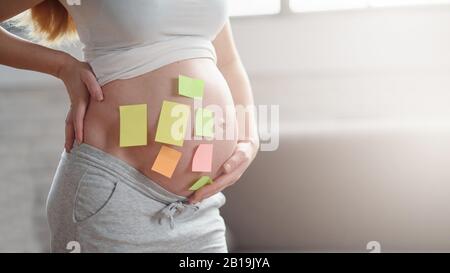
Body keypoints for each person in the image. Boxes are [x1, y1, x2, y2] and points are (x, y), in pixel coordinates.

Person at [0, 0, 259, 252]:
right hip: (113, 196)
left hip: (198, 207)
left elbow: (227, 61)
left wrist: (249, 135)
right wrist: (62, 66)